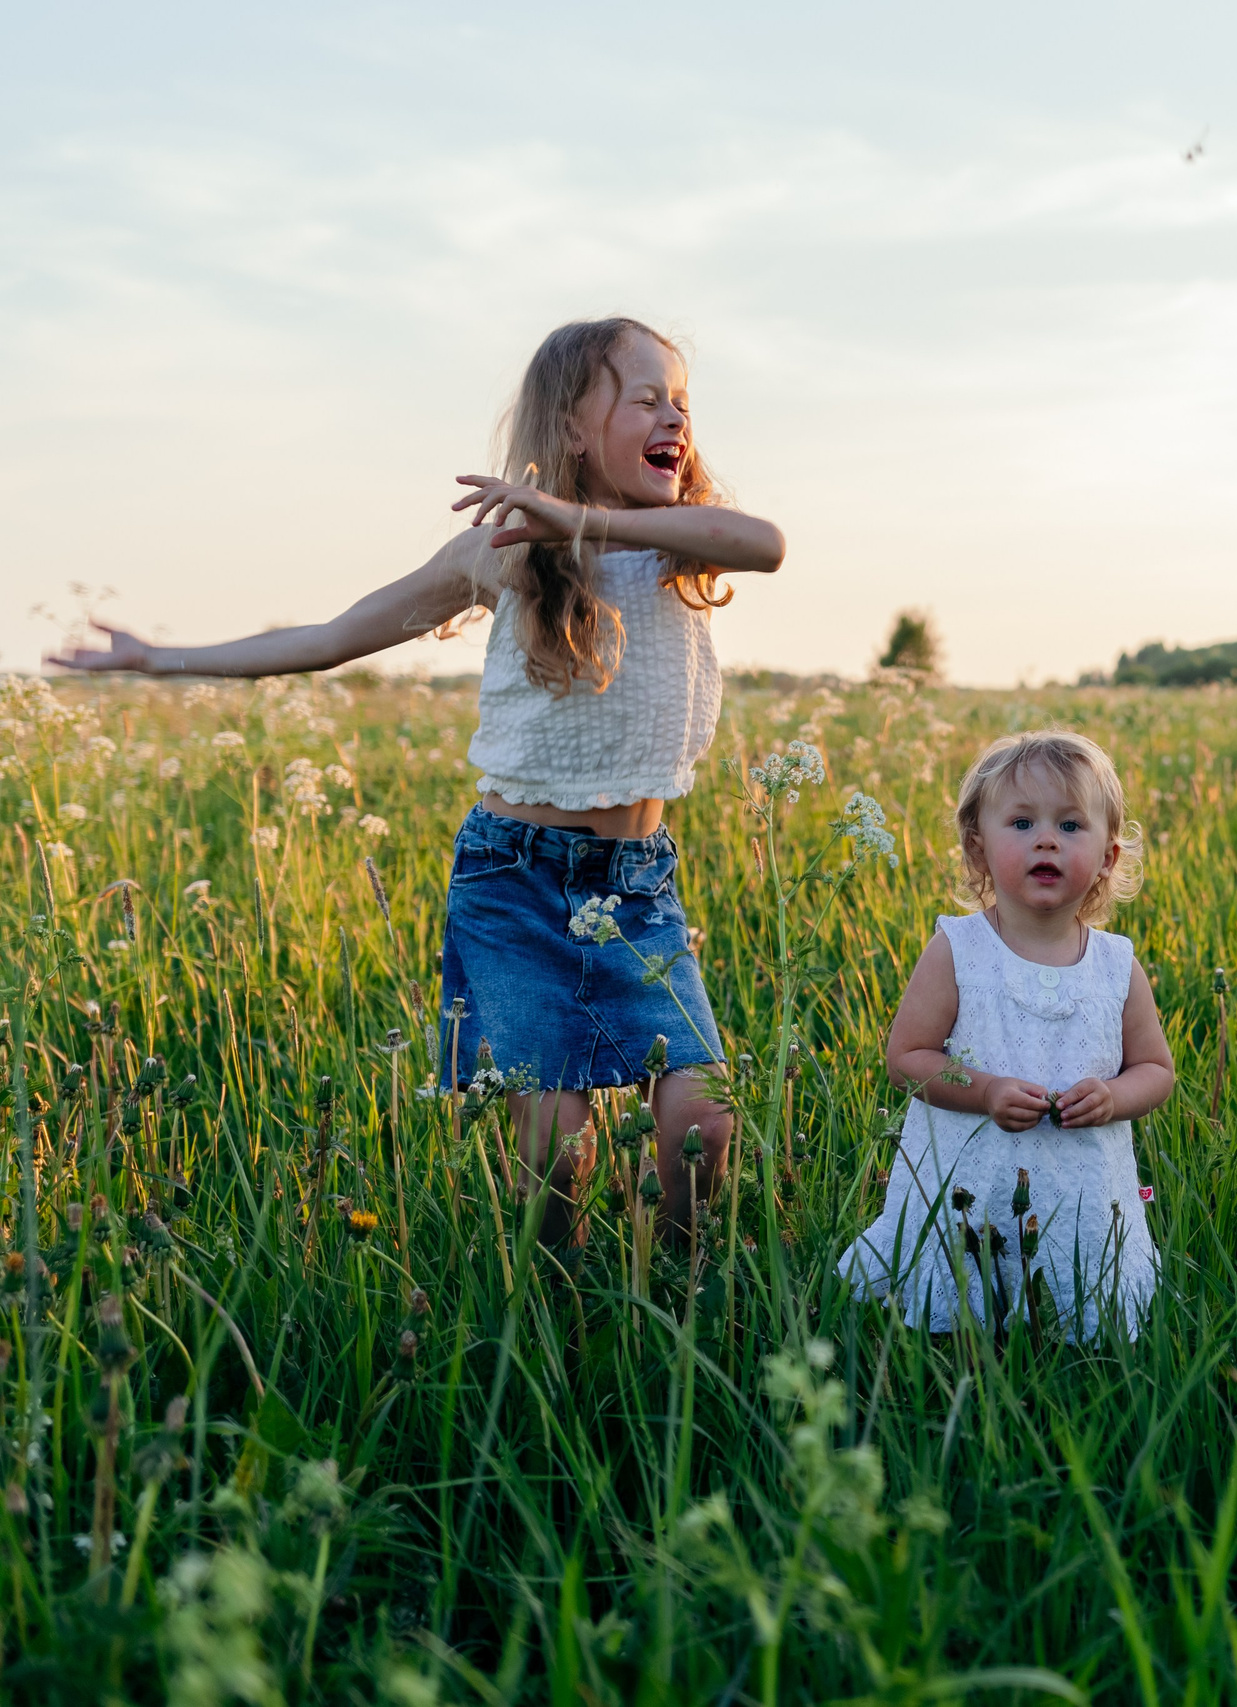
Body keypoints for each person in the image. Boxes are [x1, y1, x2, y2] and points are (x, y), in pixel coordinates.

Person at [48, 316, 784, 1248]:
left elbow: (765, 541)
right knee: (558, 1155)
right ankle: (558, 1317)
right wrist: (162, 659)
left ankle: (675, 1298)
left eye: (681, 402)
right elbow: (330, 638)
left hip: (636, 884)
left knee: (701, 1122)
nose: (673, 415)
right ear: (569, 426)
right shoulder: (505, 553)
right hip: (515, 881)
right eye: (645, 397)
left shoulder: (677, 544)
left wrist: (592, 519)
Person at [842, 732, 1176, 1338]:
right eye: (1021, 823)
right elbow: (907, 1059)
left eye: (1072, 826)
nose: (1046, 839)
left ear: (1108, 857)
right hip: (973, 1184)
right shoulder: (959, 950)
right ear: (979, 850)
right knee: (961, 1291)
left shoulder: (1116, 966)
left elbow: (1155, 1069)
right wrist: (985, 1090)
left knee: (1078, 1300)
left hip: (1080, 1186)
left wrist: (1112, 1097)